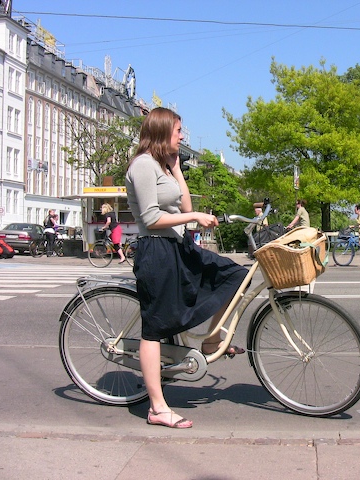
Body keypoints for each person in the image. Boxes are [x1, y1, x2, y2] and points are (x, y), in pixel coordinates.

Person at [125, 107, 248, 429]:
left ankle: (209, 341)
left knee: (235, 275)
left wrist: (177, 169)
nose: (182, 135)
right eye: (178, 130)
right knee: (155, 329)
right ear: (163, 131)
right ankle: (157, 408)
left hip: (178, 246)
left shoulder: (163, 166)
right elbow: (151, 218)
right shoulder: (142, 166)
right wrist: (193, 218)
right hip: (157, 250)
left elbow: (186, 206)